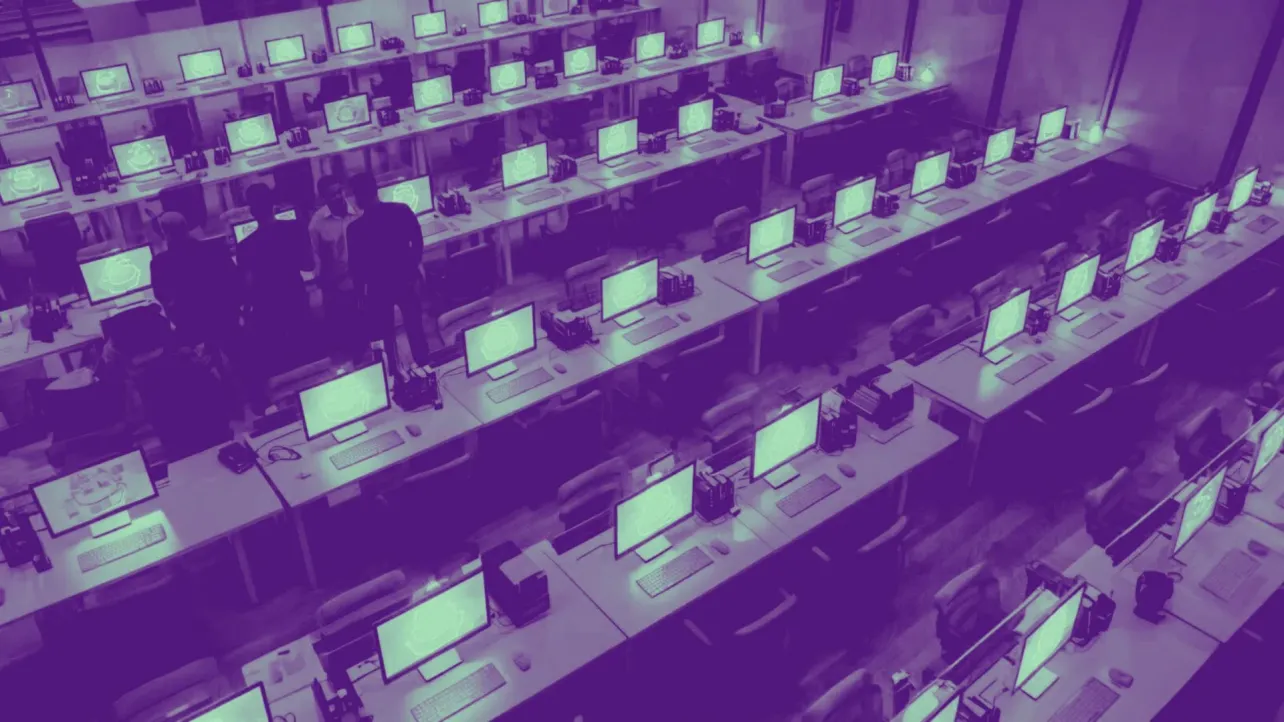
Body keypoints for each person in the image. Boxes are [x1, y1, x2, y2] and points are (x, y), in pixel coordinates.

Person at [345, 172, 431, 372]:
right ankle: (425, 365)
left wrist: (360, 295)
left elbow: (356, 267)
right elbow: (417, 242)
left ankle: (393, 372)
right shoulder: (401, 210)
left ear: (357, 197)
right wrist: (413, 267)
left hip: (378, 287)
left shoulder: (355, 229)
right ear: (376, 190)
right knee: (415, 327)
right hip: (406, 280)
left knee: (385, 334)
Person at [236, 184, 313, 406]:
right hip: (295, 298)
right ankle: (309, 400)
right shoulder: (296, 228)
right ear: (274, 206)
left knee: (280, 359)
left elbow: (247, 286)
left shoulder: (245, 246)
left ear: (252, 211)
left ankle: (287, 406)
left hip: (267, 308)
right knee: (303, 351)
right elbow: (308, 265)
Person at [149, 211, 240, 354]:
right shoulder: (215, 249)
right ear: (187, 228)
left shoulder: (160, 263)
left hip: (191, 331)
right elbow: (235, 281)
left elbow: (162, 297)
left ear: (165, 234)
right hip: (226, 321)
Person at [307, 175, 359, 357]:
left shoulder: (358, 209)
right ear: (323, 198)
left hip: (362, 277)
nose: (338, 197)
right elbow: (315, 256)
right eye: (332, 195)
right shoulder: (317, 224)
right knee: (344, 331)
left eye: (339, 191)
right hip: (337, 283)